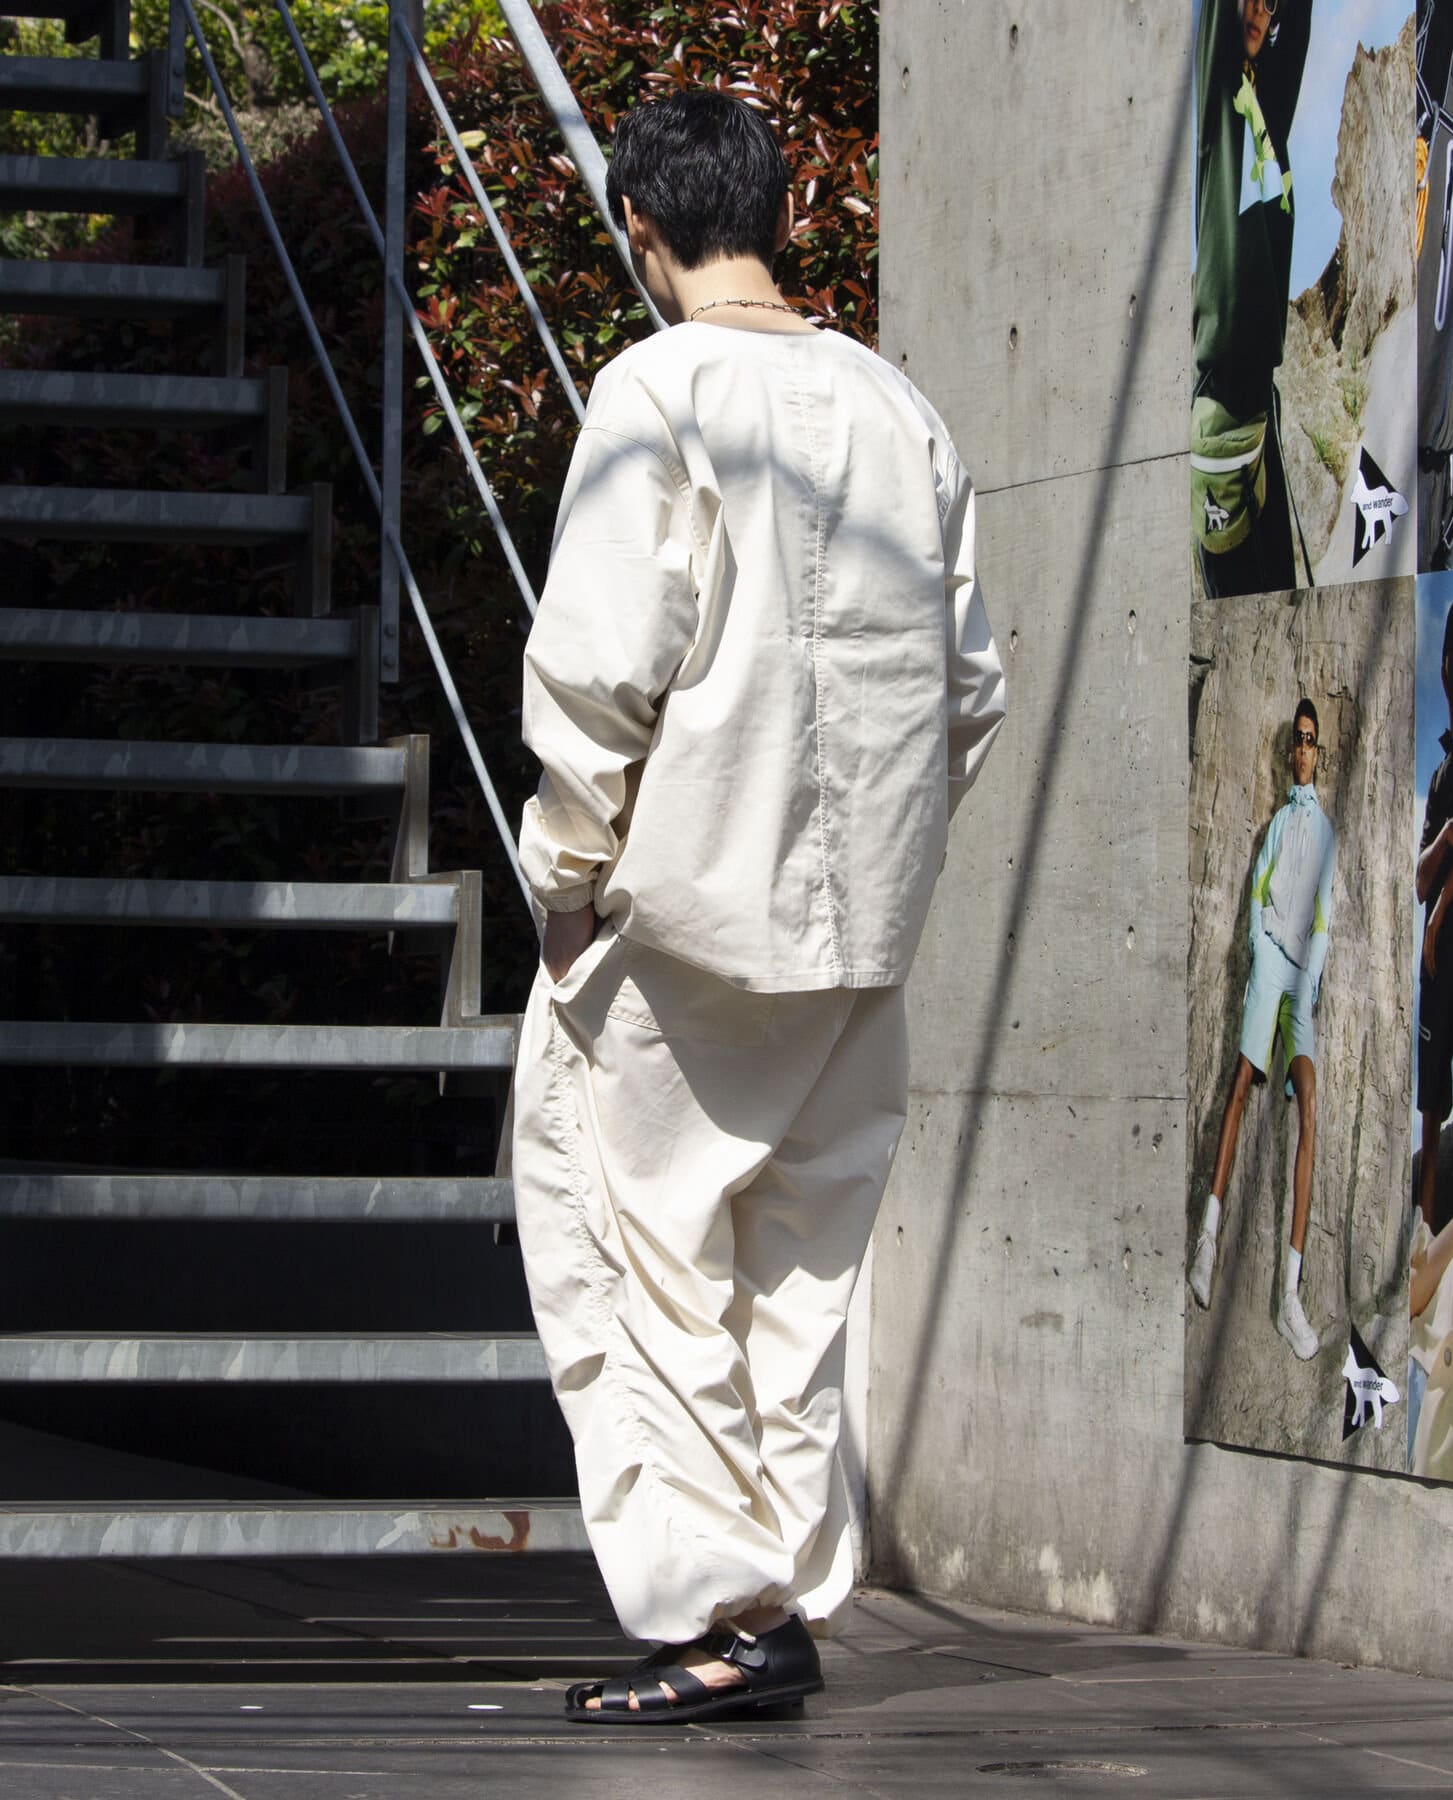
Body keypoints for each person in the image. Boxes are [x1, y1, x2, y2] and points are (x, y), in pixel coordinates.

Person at [510, 92, 1005, 1724]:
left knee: (630, 1246)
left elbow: (600, 668)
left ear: (641, 227)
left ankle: (727, 1614)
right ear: (778, 217)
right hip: (861, 940)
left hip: (679, 929)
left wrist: (565, 879)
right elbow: (969, 688)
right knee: (801, 1278)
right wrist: (887, 853)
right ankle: (786, 1594)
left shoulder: (655, 392)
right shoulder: (900, 409)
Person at [1187, 699, 1335, 1360]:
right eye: (1296, 740)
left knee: (1310, 1109)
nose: (1302, 749)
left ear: (1319, 753)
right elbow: (1258, 889)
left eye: (1310, 740)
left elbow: (1324, 915)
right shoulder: (1278, 825)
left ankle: (1289, 1297)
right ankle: (1206, 1241)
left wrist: (1311, 981)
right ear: (1289, 753)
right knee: (1241, 1082)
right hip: (1270, 959)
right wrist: (1257, 944)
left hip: (1302, 978)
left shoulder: (1325, 831)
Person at [1191, 0, 1312, 598]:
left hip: (1258, 395)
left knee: (1281, 602)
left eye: (1271, 2)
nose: (1261, 10)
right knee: (1238, 608)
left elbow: (1297, 31)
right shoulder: (1222, 99)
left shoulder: (1269, 119)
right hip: (1223, 396)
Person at [1417, 598, 1453, 1232]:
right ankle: (1423, 1253)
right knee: (1429, 1115)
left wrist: (1437, 918)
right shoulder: (1437, 773)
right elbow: (1419, 876)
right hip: (1435, 976)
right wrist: (1447, 836)